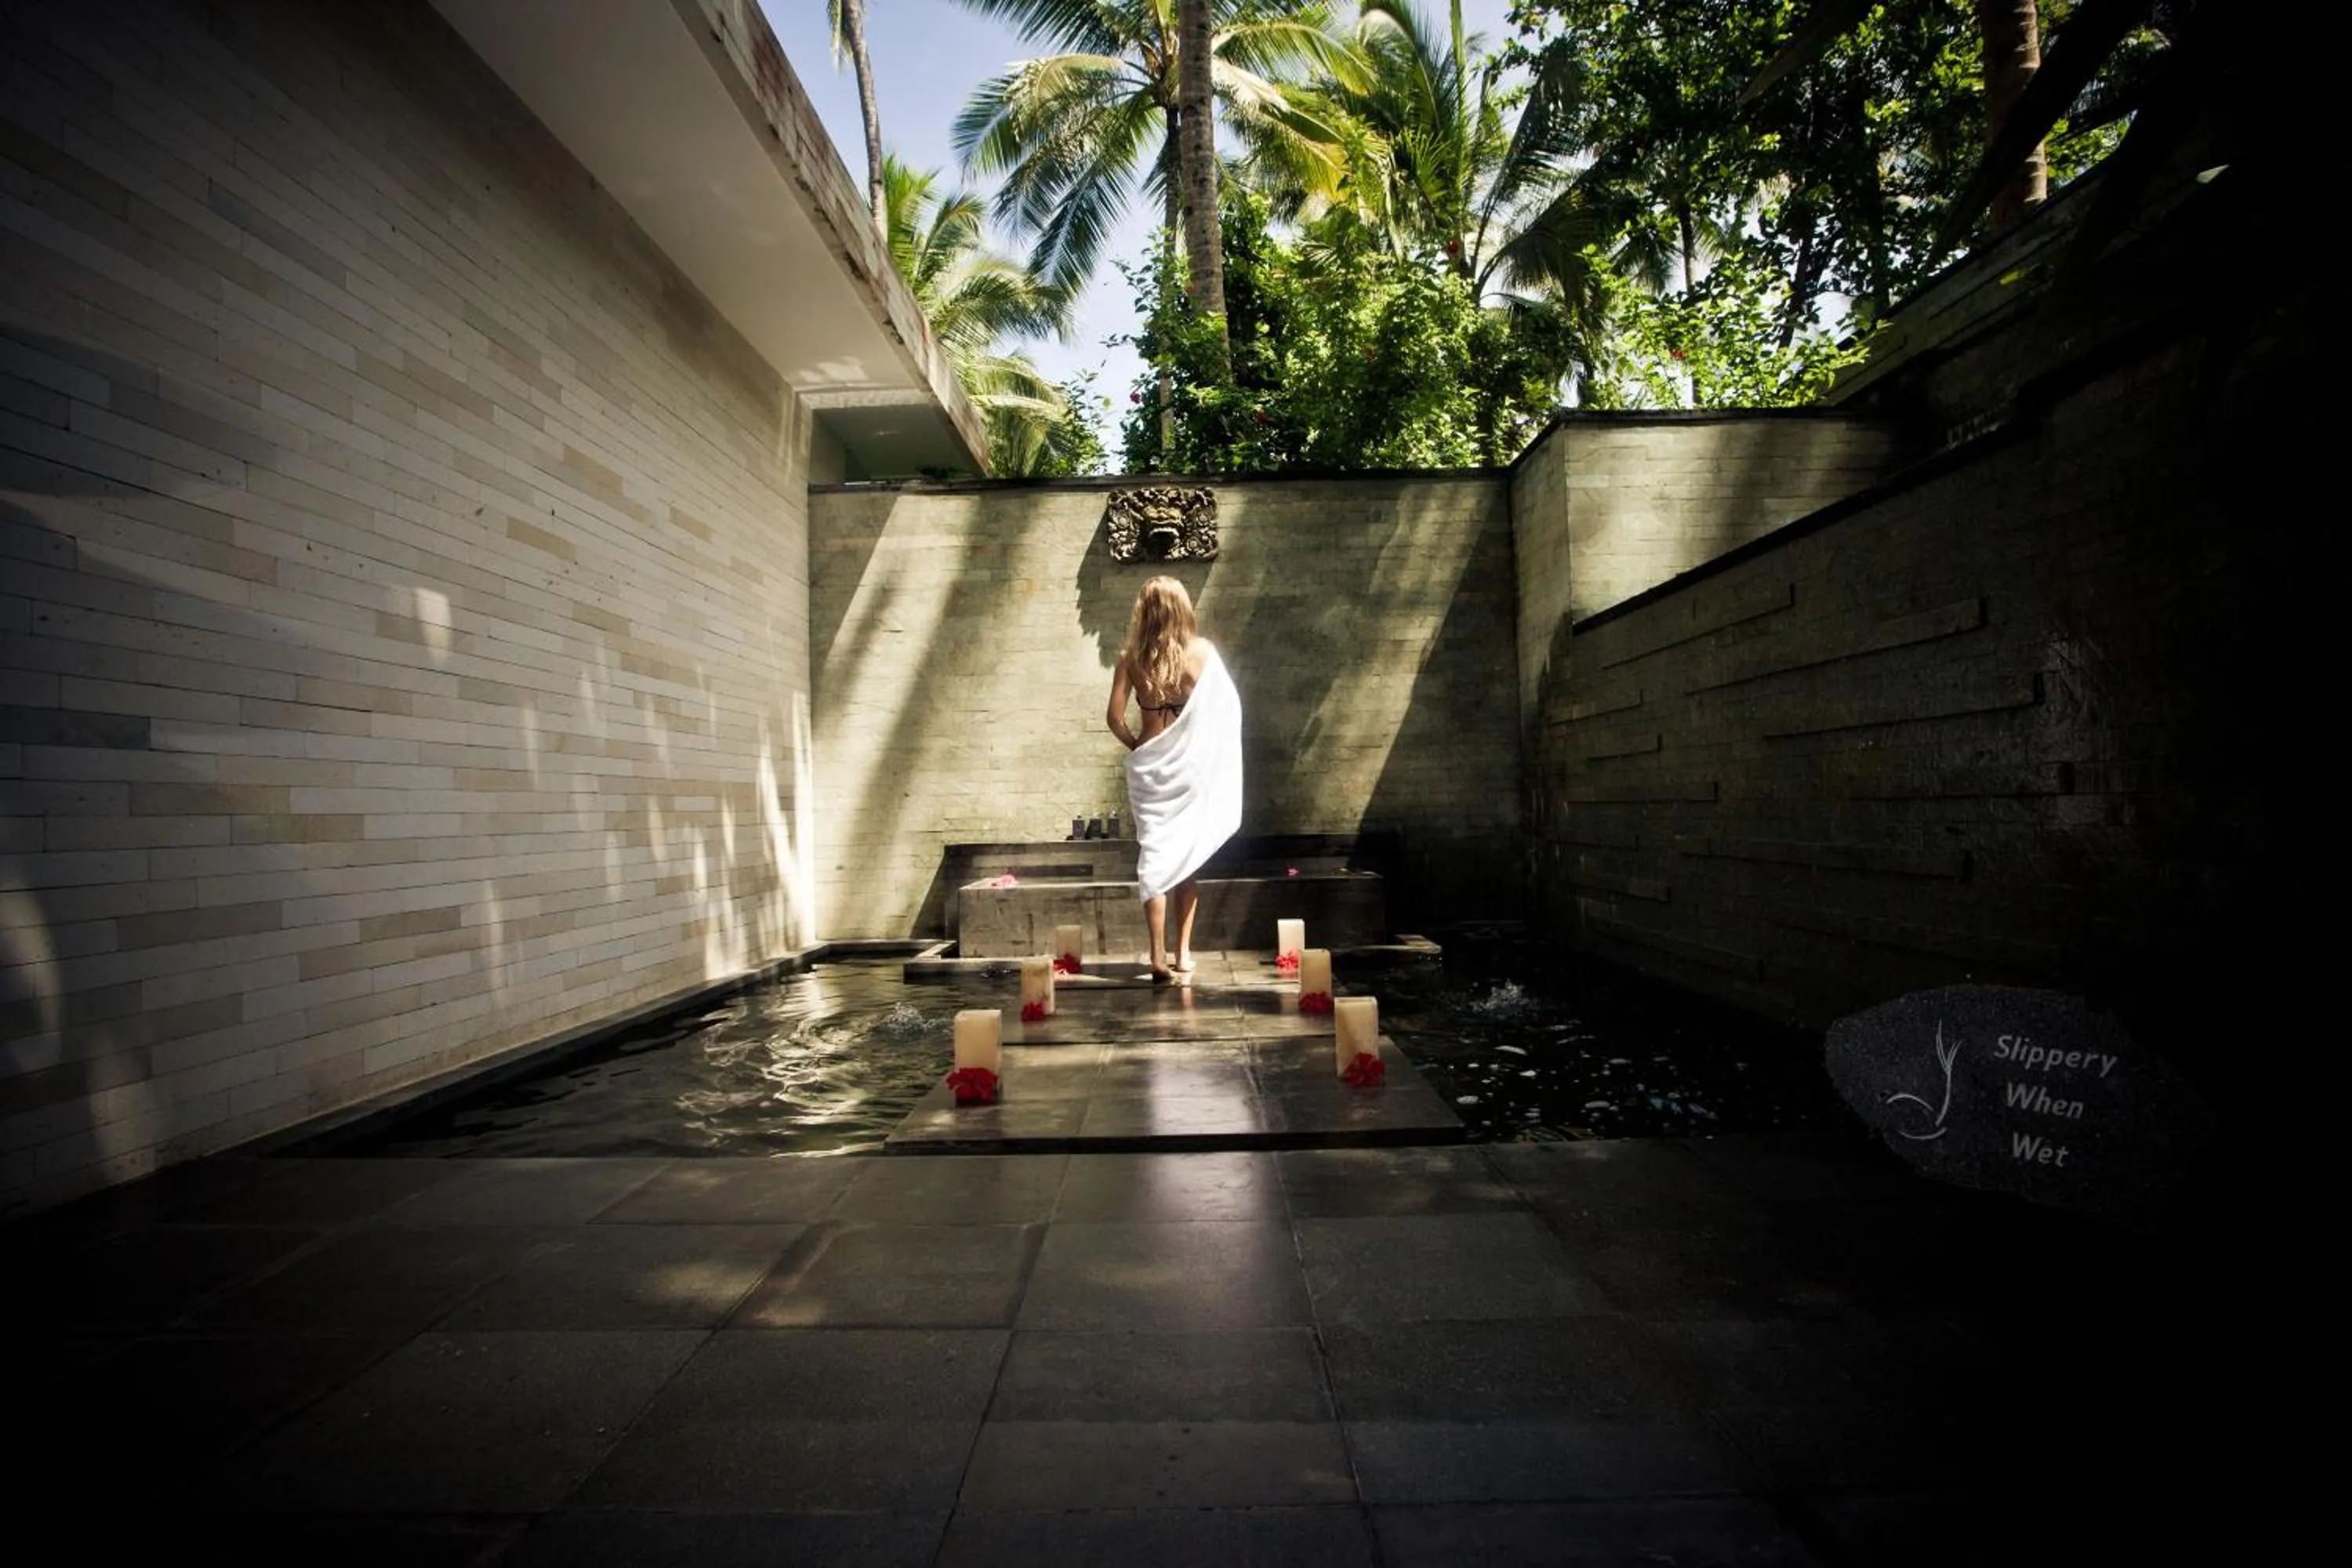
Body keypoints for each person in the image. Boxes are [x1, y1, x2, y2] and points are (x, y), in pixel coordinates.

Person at [1106, 576, 1243, 983]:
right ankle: (1183, 954)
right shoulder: (1201, 653)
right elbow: (1227, 709)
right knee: (1187, 859)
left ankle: (1156, 956)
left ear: (1143, 610)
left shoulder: (1130, 656)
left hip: (1150, 763)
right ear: (1182, 607)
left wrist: (1138, 747)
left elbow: (1113, 718)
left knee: (1154, 857)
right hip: (1189, 767)